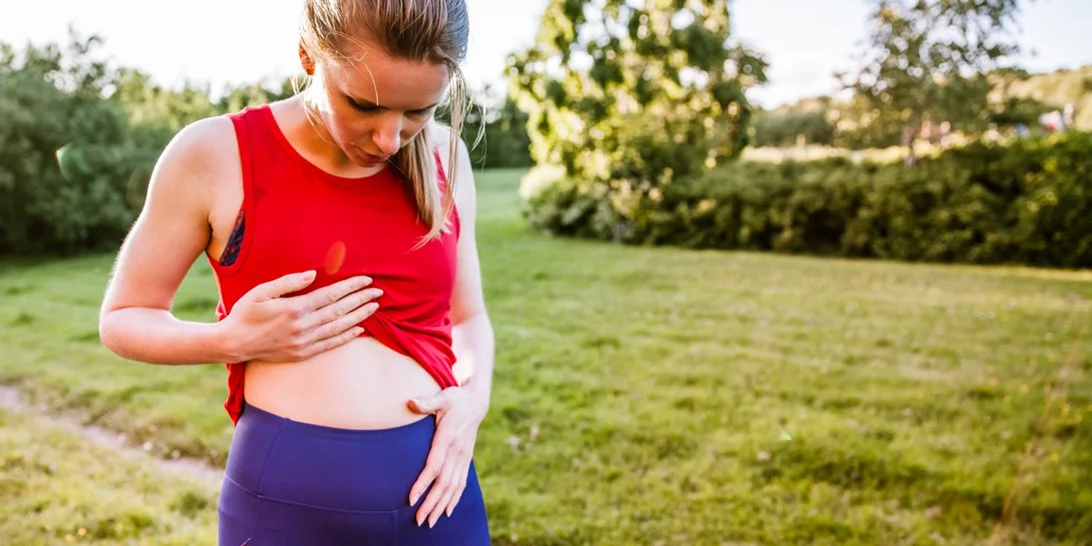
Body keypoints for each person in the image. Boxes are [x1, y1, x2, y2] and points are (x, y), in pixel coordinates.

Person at [97, 0, 494, 544]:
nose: (388, 139)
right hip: (283, 506)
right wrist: (230, 339)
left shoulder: (449, 158)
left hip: (437, 497)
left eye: (418, 111)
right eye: (363, 104)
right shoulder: (216, 154)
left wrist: (475, 397)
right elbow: (123, 316)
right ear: (308, 55)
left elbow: (468, 317)